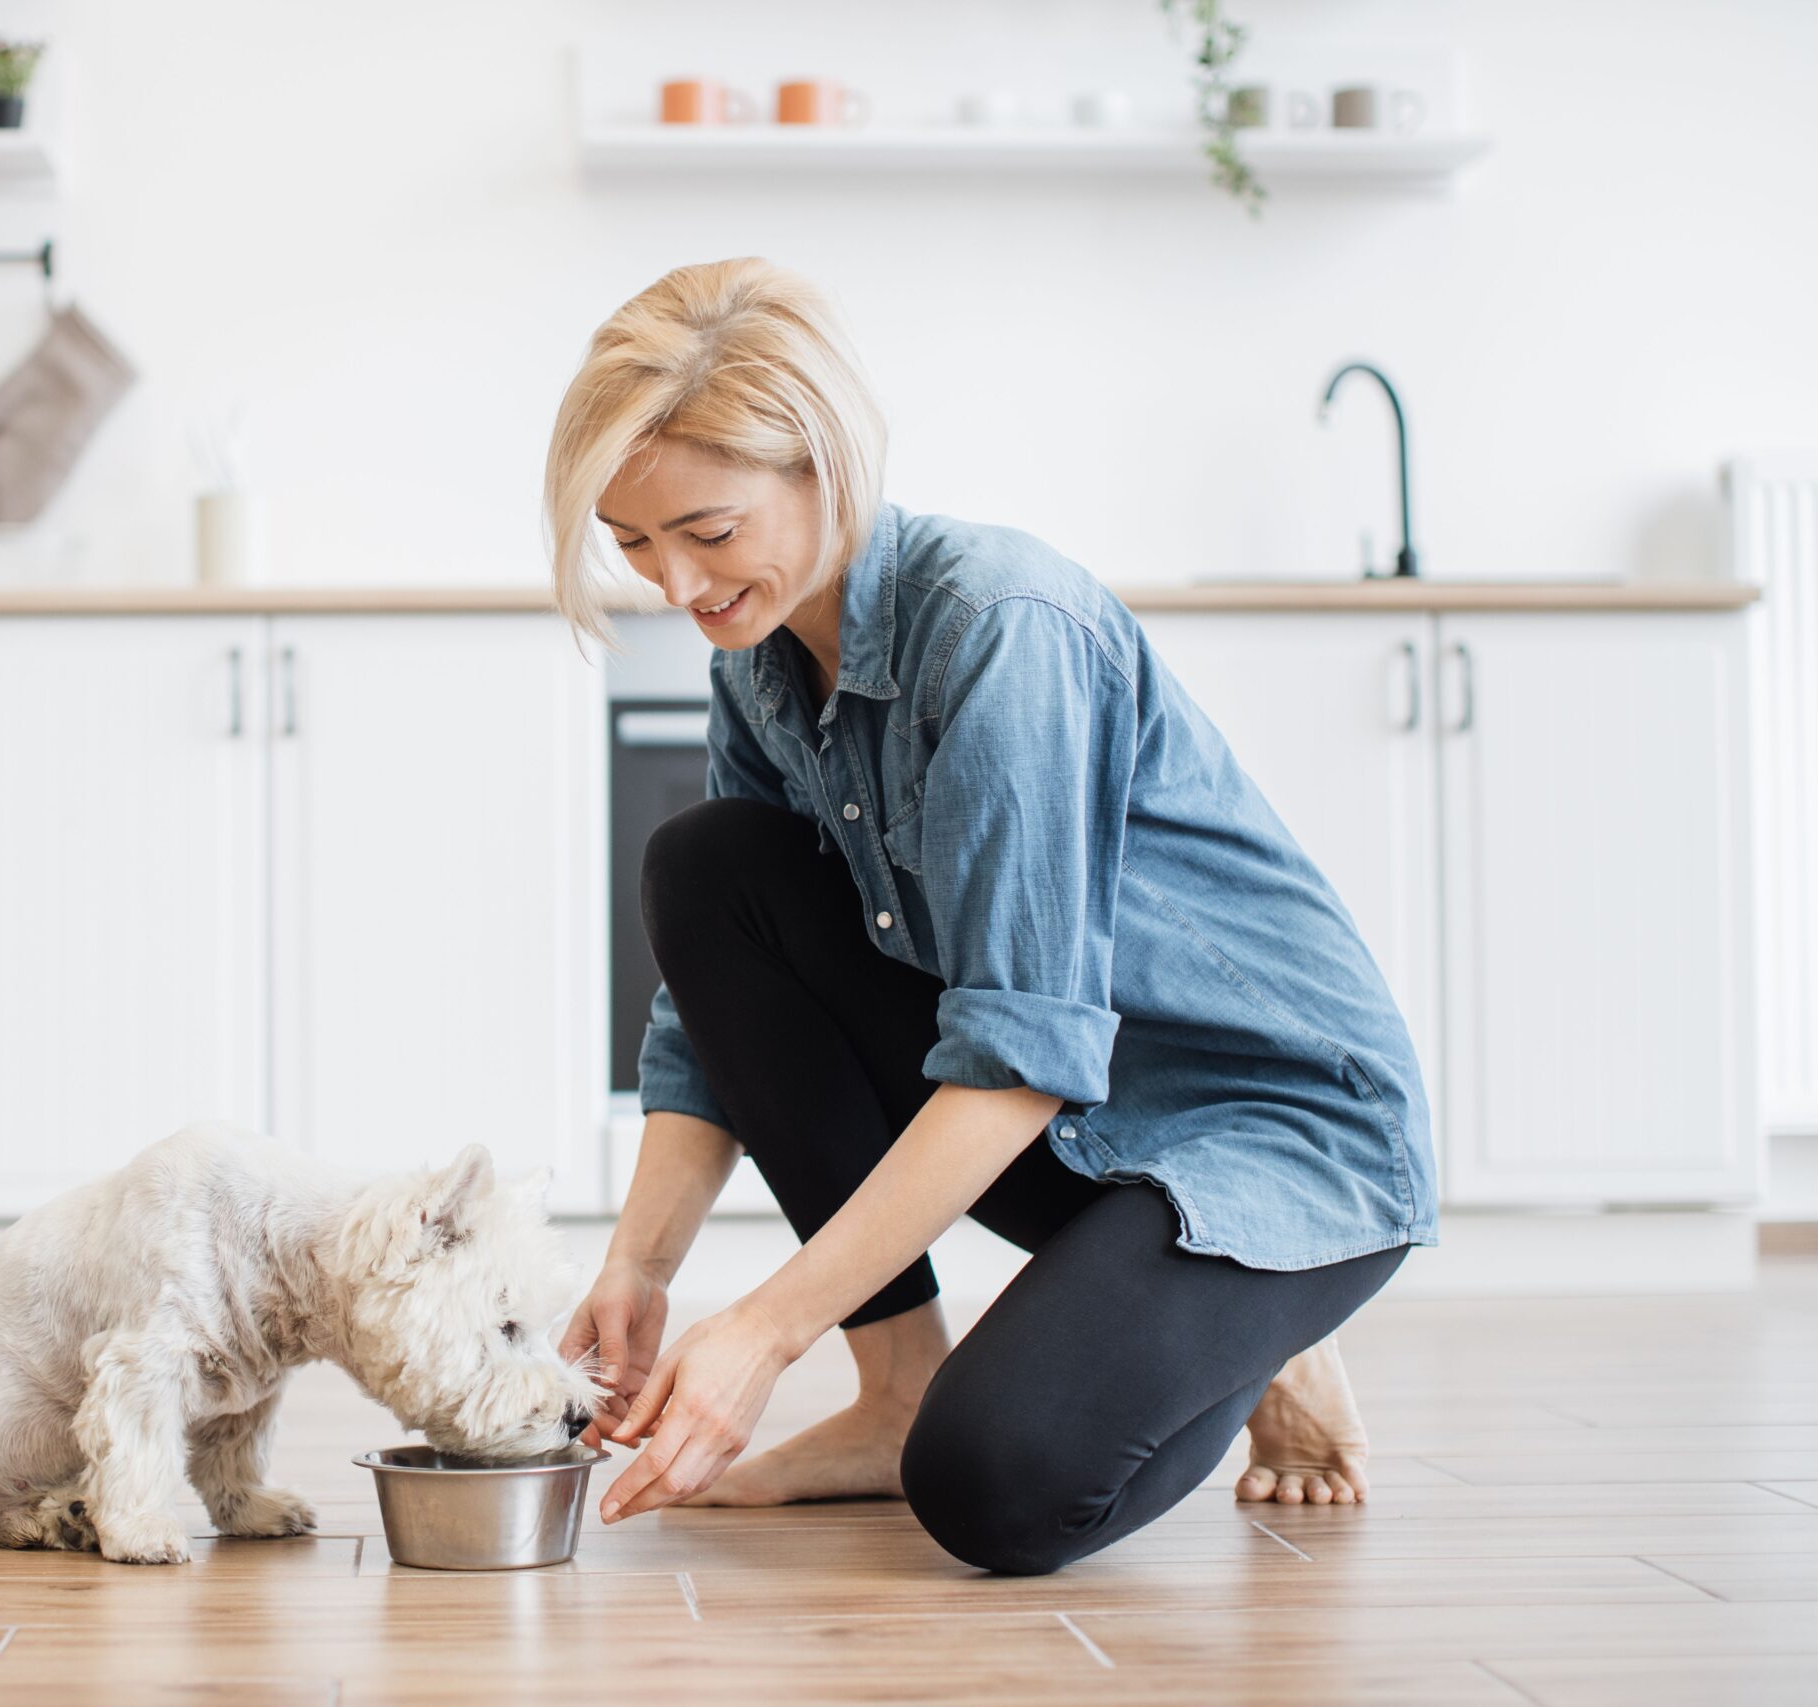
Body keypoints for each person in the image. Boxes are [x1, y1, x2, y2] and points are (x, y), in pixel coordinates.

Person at [543, 258, 1436, 1576]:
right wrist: (642, 1265)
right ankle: (898, 1386)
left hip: (1275, 1130)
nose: (676, 584)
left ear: (823, 466)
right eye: (634, 545)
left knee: (993, 1487)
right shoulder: (766, 652)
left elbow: (1019, 1058)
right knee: (708, 865)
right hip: (1084, 1114)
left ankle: (1261, 1311)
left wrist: (765, 1331)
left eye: (709, 532)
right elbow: (714, 1010)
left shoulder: (1002, 629)